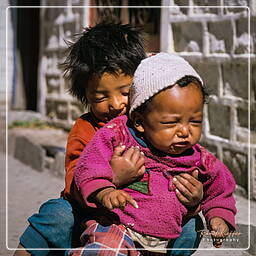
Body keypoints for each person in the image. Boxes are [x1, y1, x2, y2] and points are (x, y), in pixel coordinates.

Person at [14, 23, 203, 256]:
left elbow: (190, 169)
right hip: (93, 214)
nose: (115, 104)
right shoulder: (86, 129)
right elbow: (74, 180)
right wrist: (113, 178)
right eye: (101, 97)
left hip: (149, 218)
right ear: (86, 96)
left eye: (125, 92)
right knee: (57, 213)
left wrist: (194, 201)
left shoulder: (156, 126)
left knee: (192, 227)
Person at [70, 53, 237, 255]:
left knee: (193, 228)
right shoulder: (118, 134)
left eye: (195, 121)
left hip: (166, 237)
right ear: (139, 121)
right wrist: (105, 191)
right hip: (117, 223)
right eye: (170, 122)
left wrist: (219, 216)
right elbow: (89, 164)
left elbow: (221, 187)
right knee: (105, 250)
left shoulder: (200, 158)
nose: (184, 131)